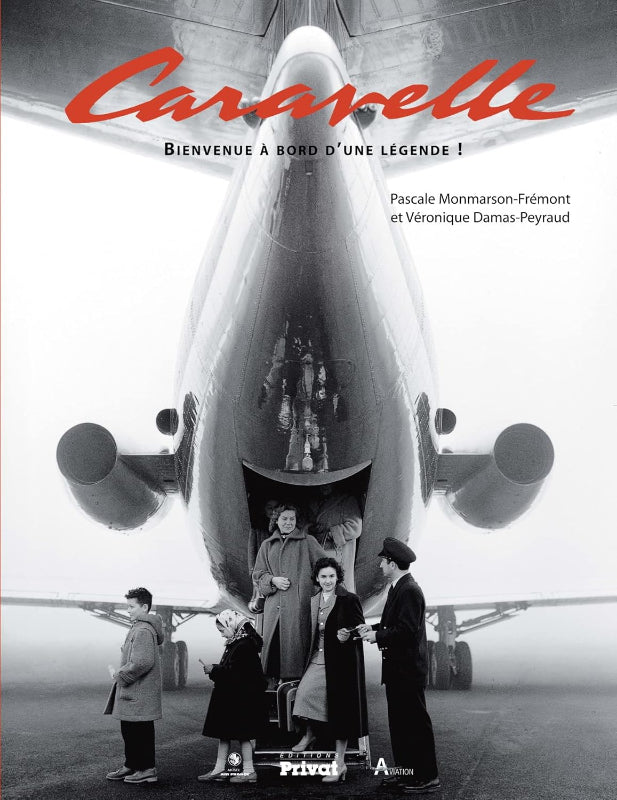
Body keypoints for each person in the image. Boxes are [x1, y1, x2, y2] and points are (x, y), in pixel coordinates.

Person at [358, 539, 440, 794]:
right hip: (397, 672)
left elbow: (406, 631)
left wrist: (378, 636)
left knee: (415, 726)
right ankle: (406, 772)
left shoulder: (409, 591)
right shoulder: (398, 588)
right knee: (401, 727)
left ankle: (427, 777)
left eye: (383, 561)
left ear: (393, 564)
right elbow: (393, 624)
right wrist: (371, 628)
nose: (380, 565)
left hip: (407, 672)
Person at [292, 557, 368, 783]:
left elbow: (360, 628)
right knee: (303, 695)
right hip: (317, 658)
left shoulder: (349, 599)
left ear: (338, 578)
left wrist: (348, 635)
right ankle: (310, 733)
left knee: (340, 712)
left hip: (340, 663)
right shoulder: (314, 600)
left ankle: (339, 763)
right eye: (323, 576)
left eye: (331, 576)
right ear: (317, 578)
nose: (328, 581)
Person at [252, 502, 326, 680]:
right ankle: (275, 690)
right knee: (273, 658)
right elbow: (258, 575)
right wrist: (273, 580)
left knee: (296, 657)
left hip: (299, 609)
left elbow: (326, 568)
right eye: (284, 519)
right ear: (276, 520)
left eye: (292, 519)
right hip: (274, 611)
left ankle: (295, 690)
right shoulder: (267, 545)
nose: (288, 522)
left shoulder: (309, 542)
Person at [199, 610, 267, 784]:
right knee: (229, 734)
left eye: (222, 630)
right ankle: (222, 769)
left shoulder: (242, 646)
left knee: (242, 735)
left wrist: (214, 669)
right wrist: (216, 669)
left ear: (232, 625)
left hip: (238, 700)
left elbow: (235, 674)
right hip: (237, 698)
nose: (222, 634)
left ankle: (248, 771)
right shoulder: (241, 643)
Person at [104, 587, 164, 784]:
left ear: (144, 607)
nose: (128, 610)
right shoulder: (139, 627)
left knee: (140, 731)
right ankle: (132, 765)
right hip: (136, 691)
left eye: (131, 606)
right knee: (130, 730)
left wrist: (120, 675)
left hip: (138, 692)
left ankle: (147, 770)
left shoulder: (143, 630)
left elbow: (142, 662)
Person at [308, 484, 362, 591]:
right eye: (321, 484)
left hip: (340, 554)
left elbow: (355, 527)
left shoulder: (347, 501)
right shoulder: (313, 502)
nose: (324, 486)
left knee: (340, 589)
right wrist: (313, 528)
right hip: (318, 553)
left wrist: (332, 533)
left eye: (327, 484)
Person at [247, 498, 279, 613]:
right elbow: (252, 551)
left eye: (276, 508)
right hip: (262, 569)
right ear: (264, 510)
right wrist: (252, 571)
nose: (273, 511)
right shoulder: (257, 529)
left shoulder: (281, 528)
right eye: (270, 508)